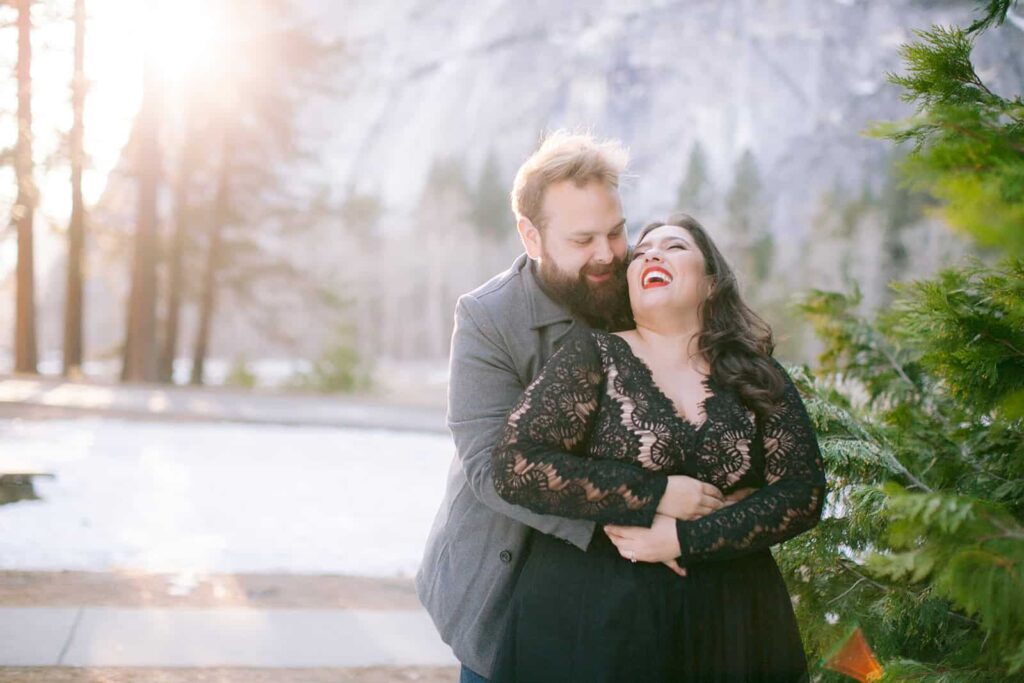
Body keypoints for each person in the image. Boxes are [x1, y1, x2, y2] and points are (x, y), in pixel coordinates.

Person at [415, 136, 730, 682]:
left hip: (633, 584)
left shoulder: (640, 285)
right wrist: (647, 502)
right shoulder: (489, 319)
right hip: (506, 570)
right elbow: (491, 469)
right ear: (531, 236)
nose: (608, 253)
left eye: (615, 231)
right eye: (583, 239)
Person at [489, 214, 827, 682]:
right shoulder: (592, 355)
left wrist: (685, 539)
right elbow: (516, 465)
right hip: (597, 616)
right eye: (643, 250)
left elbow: (802, 493)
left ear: (711, 283)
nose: (652, 254)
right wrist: (654, 495)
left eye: (675, 247)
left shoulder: (756, 374)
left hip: (731, 624)